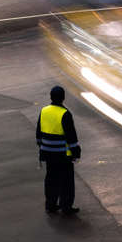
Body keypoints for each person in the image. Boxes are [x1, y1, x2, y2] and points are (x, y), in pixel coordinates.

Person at [36, 86, 81, 215]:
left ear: (51, 97)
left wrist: (41, 147)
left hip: (48, 153)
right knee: (66, 181)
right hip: (62, 154)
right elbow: (71, 137)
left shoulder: (44, 111)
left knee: (51, 179)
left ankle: (51, 205)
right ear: (63, 98)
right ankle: (66, 207)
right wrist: (76, 153)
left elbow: (38, 132)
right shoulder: (65, 114)